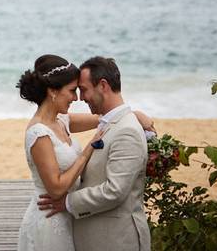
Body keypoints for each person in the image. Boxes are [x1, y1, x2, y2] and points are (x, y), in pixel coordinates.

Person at [17, 55, 154, 251]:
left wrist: (135, 114)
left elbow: (104, 118)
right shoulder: (39, 133)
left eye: (80, 90)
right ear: (53, 91)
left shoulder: (61, 120)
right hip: (49, 217)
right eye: (73, 91)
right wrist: (86, 151)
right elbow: (55, 189)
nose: (76, 98)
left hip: (71, 219)